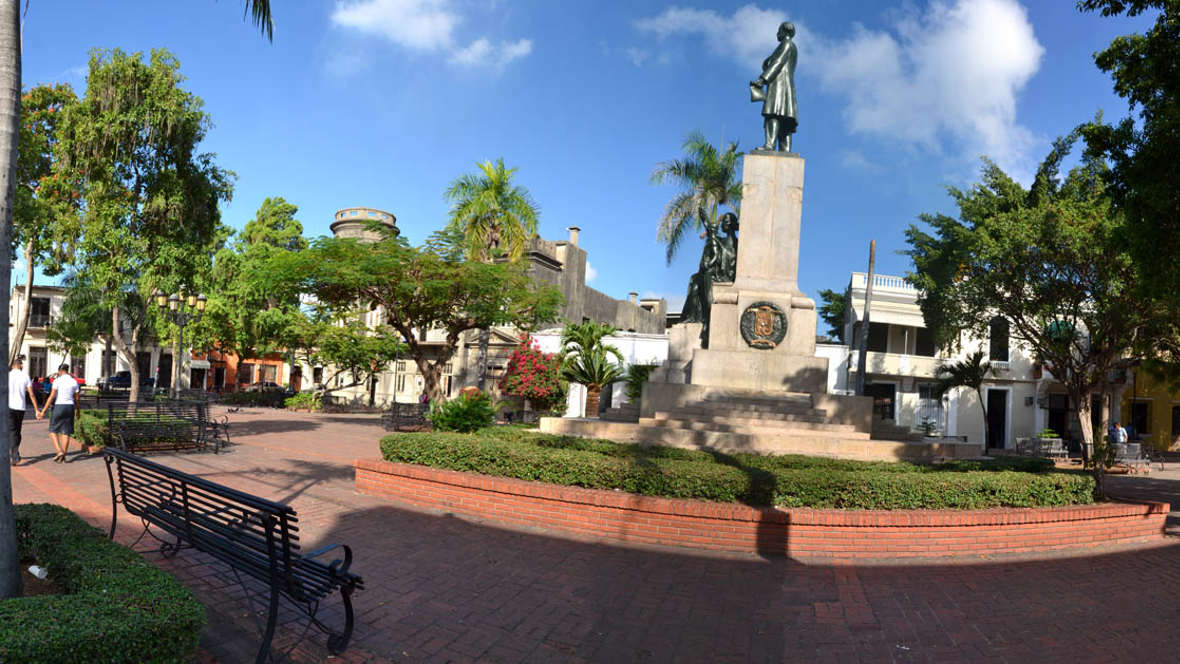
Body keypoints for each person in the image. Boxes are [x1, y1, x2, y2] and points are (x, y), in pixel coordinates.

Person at [750, 21, 799, 152]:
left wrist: (762, 79)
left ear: (784, 31)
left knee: (773, 114)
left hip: (779, 86)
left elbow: (777, 63)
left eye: (779, 30)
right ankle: (785, 150)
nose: (777, 33)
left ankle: (769, 145)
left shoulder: (786, 44)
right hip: (787, 87)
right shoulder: (792, 47)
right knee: (785, 119)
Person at [36, 364, 80, 462]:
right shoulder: (74, 381)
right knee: (66, 432)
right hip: (70, 407)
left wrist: (43, 411)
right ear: (68, 371)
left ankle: (59, 451)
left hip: (59, 406)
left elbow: (51, 396)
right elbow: (77, 399)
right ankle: (63, 455)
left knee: (53, 430)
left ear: (59, 371)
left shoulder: (57, 381)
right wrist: (78, 412)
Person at [8, 356, 36, 466]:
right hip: (20, 407)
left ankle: (14, 453)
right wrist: (36, 409)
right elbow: (31, 394)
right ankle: (15, 454)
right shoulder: (25, 376)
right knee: (17, 431)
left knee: (13, 431)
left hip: (8, 406)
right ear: (20, 365)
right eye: (22, 364)